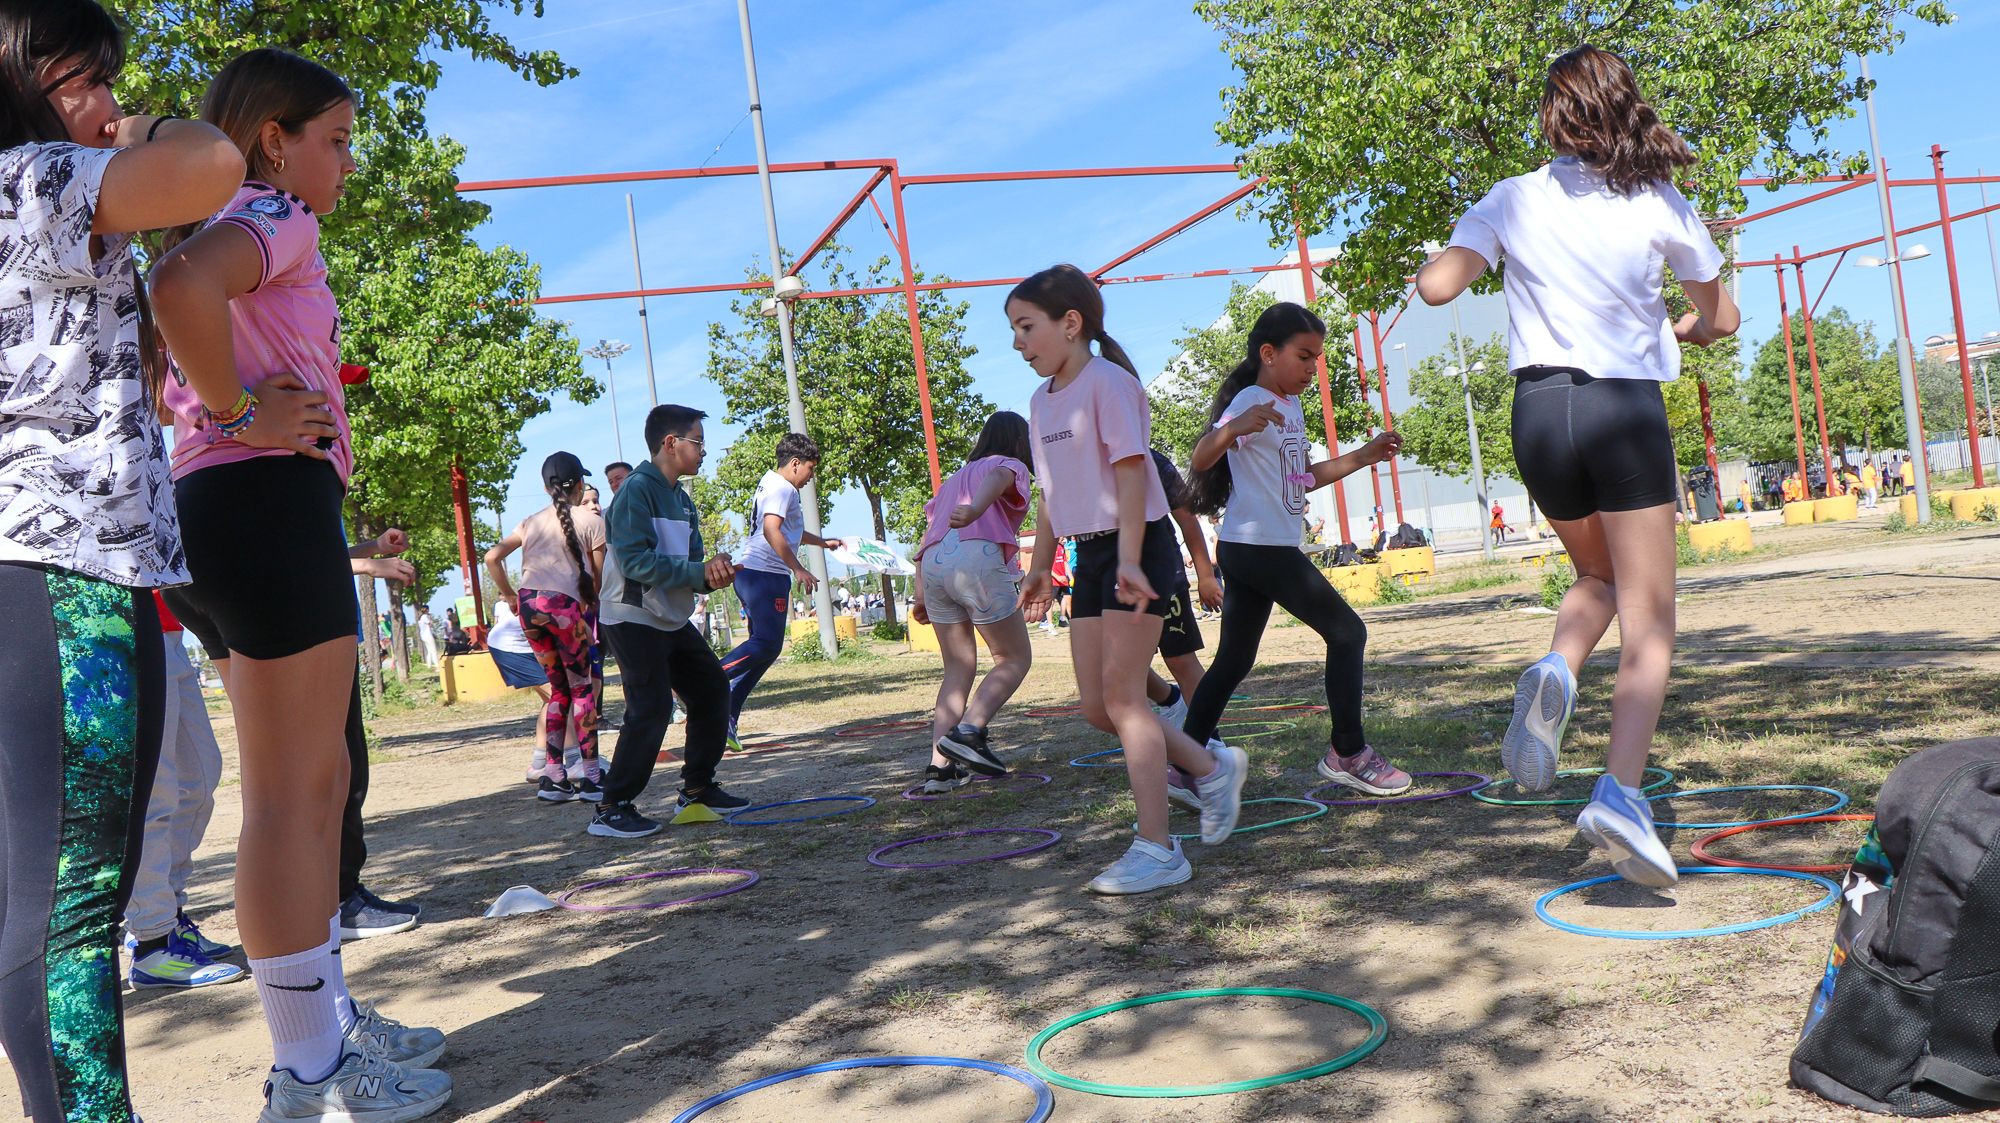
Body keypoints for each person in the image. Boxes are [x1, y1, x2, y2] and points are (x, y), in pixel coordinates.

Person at [150, 48, 451, 1116]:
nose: (348, 162)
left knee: (313, 786)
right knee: (291, 795)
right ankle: (311, 1074)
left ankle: (322, 1026)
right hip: (261, 502)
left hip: (235, 514)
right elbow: (177, 289)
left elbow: (179, 306)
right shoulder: (275, 215)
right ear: (273, 139)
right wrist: (239, 413)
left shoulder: (223, 223)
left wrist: (225, 414)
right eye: (337, 138)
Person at [0, 8, 247, 1114]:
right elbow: (212, 165)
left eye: (113, 83)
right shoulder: (36, 177)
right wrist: (143, 125)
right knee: (67, 896)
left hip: (88, 570)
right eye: (79, 82)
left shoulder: (47, 181)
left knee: (69, 891)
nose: (106, 106)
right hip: (54, 568)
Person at [1416, 44, 1740, 889]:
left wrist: (1456, 251)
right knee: (1652, 616)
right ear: (1623, 107)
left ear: (1553, 118)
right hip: (1622, 409)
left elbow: (1439, 287)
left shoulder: (1512, 198)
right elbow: (1723, 315)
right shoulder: (1658, 200)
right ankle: (1621, 794)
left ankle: (1558, 667)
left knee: (1595, 574)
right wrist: (1689, 323)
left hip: (1539, 414)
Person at [1007, 264, 1245, 895]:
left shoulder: (1108, 385)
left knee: (1124, 701)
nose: (1018, 343)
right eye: (1015, 330)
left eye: (1026, 327)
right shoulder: (1039, 402)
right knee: (1095, 706)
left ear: (1071, 323)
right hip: (1090, 555)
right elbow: (1053, 493)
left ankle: (1160, 850)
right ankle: (1208, 767)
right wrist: (1037, 569)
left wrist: (1135, 558)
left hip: (1138, 548)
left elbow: (1134, 473)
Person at [1180, 302, 1412, 797]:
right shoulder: (1249, 399)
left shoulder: (1290, 407)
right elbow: (1201, 457)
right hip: (1257, 546)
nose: (1312, 368)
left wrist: (1363, 457)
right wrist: (1233, 428)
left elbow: (1301, 481)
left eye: (1317, 359)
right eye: (1304, 356)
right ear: (1269, 353)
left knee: (1234, 661)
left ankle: (1183, 763)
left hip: (1257, 546)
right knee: (1348, 632)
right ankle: (1348, 751)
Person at [594, 405, 745, 837]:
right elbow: (636, 562)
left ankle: (696, 790)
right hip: (631, 616)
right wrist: (699, 573)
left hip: (669, 616)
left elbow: (689, 566)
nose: (703, 451)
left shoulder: (682, 499)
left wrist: (712, 575)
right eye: (698, 442)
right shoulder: (636, 491)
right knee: (652, 707)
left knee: (712, 689)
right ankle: (611, 807)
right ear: (671, 443)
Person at [912, 412, 1037, 793]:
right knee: (1013, 657)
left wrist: (919, 593)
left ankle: (940, 769)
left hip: (934, 565)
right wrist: (978, 508)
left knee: (957, 667)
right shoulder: (1009, 464)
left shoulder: (952, 480)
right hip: (976, 557)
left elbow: (927, 535)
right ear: (1019, 441)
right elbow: (999, 480)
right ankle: (970, 729)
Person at [484, 452, 608, 802]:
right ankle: (592, 775)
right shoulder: (592, 522)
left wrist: (509, 595)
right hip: (565, 608)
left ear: (545, 487)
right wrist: (588, 603)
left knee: (558, 691)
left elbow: (491, 557)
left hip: (528, 605)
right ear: (580, 484)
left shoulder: (530, 522)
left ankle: (554, 776)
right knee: (583, 688)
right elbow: (598, 579)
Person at [720, 434, 843, 748]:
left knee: (767, 648)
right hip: (763, 576)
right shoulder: (783, 487)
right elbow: (771, 530)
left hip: (754, 575)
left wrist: (821, 542)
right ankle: (709, 677)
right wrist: (798, 568)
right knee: (764, 645)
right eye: (811, 469)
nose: (811, 477)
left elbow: (788, 531)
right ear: (796, 464)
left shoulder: (770, 483)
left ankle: (726, 718)